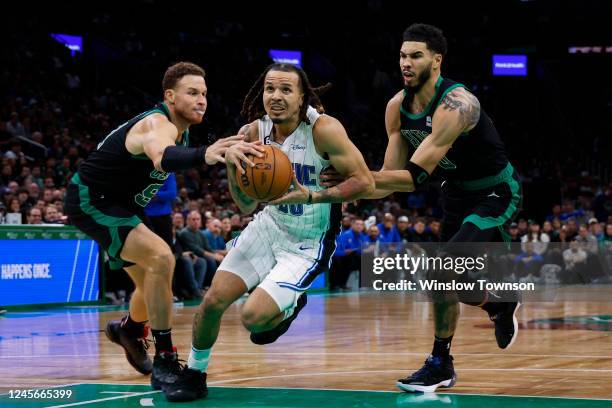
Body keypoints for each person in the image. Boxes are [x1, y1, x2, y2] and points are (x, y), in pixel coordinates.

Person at [63, 62, 256, 402]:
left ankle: (130, 330)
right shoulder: (157, 123)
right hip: (92, 199)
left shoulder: (179, 128)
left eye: (205, 94)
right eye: (193, 93)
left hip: (123, 206)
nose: (202, 100)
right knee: (161, 257)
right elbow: (162, 157)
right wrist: (205, 154)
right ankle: (166, 360)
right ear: (170, 96)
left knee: (152, 280)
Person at [183, 63, 374, 401]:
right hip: (269, 226)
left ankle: (289, 305)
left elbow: (365, 183)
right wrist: (233, 166)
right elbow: (244, 206)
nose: (276, 96)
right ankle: (195, 373)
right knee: (212, 301)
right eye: (270, 89)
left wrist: (313, 194)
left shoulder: (324, 130)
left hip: (308, 240)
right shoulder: (253, 134)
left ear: (303, 98)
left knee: (253, 319)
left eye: (286, 90)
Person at [359, 24, 523, 392]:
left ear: (436, 61)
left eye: (415, 55)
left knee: (444, 264)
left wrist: (356, 176)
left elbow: (414, 177)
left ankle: (496, 305)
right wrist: (331, 189)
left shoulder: (457, 104)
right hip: (455, 195)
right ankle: (444, 359)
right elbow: (388, 178)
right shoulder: (395, 108)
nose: (406, 62)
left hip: (494, 191)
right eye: (402, 55)